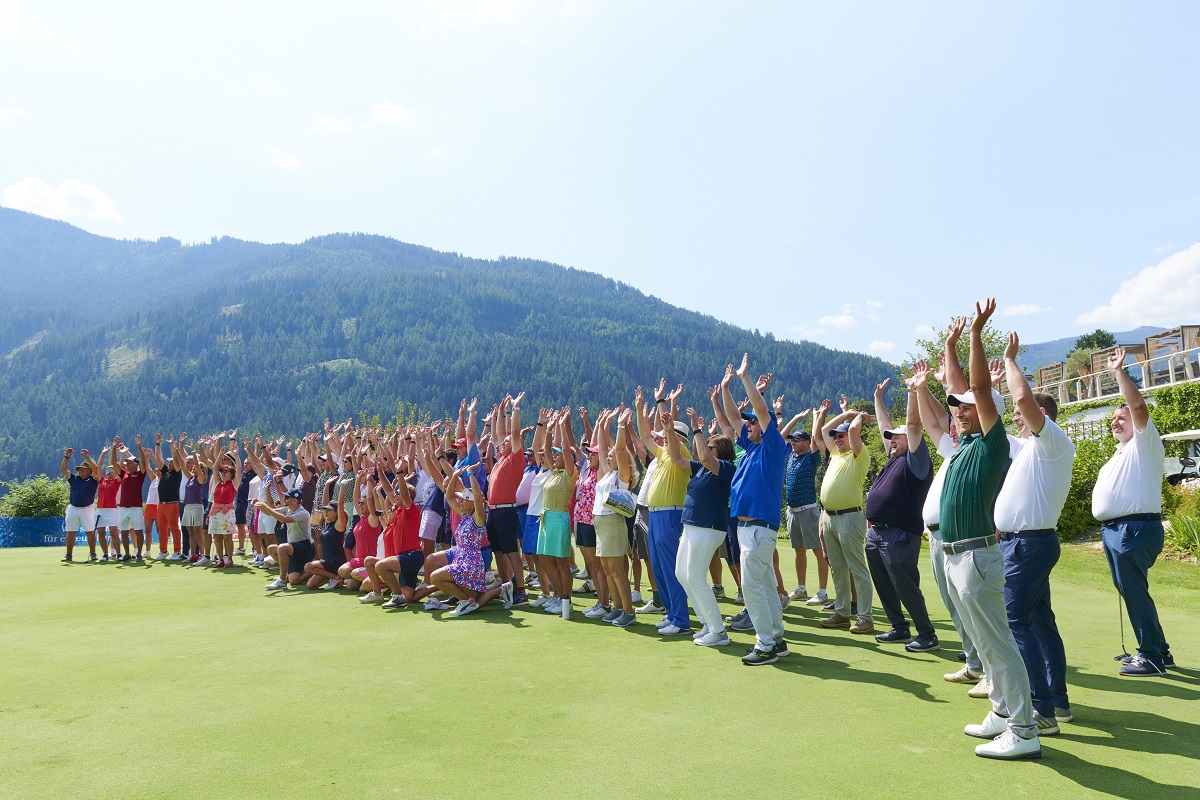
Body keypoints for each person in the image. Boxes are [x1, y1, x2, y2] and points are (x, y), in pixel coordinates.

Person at [941, 298, 1039, 760]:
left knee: (998, 645)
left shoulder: (991, 443)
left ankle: (1024, 729)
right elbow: (957, 384)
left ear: (983, 413)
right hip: (957, 555)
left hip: (979, 556)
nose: (957, 409)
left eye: (965, 407)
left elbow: (977, 386)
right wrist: (950, 346)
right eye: (955, 407)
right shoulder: (962, 447)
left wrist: (978, 335)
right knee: (983, 643)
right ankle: (1002, 713)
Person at [997, 331, 1075, 729]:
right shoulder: (1026, 446)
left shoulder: (1053, 443)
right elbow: (992, 425)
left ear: (1042, 418)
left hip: (1029, 546)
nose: (1016, 416)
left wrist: (1011, 361)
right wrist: (989, 387)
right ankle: (1057, 702)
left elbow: (1024, 401)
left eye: (1022, 415)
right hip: (1024, 544)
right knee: (1040, 622)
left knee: (1016, 622)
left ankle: (1040, 708)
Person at [1092, 345, 1173, 678]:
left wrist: (1118, 373)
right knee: (1131, 590)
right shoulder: (1122, 450)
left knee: (1134, 592)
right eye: (1113, 418)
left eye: (1120, 417)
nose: (1115, 421)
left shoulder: (1145, 441)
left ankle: (1150, 656)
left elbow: (1137, 404)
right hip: (1116, 531)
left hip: (1135, 529)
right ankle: (1160, 651)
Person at [907, 355, 984, 688]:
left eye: (961, 416)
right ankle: (973, 662)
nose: (953, 424)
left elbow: (946, 414)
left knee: (974, 608)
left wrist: (935, 385)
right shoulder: (953, 450)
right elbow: (932, 423)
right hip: (938, 540)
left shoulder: (979, 446)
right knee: (955, 606)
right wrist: (920, 390)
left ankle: (987, 667)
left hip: (966, 540)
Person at [723, 355, 789, 665]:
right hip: (748, 527)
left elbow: (761, 411)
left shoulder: (773, 446)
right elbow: (733, 419)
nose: (748, 425)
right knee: (764, 584)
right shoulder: (750, 447)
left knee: (752, 586)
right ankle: (777, 637)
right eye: (748, 423)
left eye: (753, 423)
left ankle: (765, 645)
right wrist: (725, 388)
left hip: (759, 528)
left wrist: (745, 378)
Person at [865, 378, 937, 652]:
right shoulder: (894, 458)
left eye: (898, 436)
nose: (892, 440)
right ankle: (899, 627)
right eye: (891, 438)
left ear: (910, 439)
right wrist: (878, 400)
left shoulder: (916, 461)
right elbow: (885, 426)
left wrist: (911, 391)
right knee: (883, 582)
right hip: (877, 532)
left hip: (900, 533)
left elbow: (914, 425)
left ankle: (927, 634)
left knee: (905, 584)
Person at [666, 405, 735, 647]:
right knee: (682, 575)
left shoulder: (724, 468)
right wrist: (669, 431)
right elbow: (676, 458)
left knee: (695, 576)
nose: (704, 448)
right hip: (692, 526)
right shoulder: (701, 470)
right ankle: (707, 623)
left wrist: (696, 428)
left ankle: (718, 632)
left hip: (708, 528)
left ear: (721, 451)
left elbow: (704, 456)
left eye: (711, 445)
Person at [635, 381, 693, 634]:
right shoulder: (663, 455)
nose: (659, 437)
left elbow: (665, 435)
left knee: (670, 568)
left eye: (667, 434)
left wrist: (662, 406)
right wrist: (639, 409)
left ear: (677, 438)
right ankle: (672, 614)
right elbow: (645, 435)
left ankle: (681, 620)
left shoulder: (682, 453)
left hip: (671, 514)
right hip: (656, 515)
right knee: (658, 568)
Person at [817, 397, 874, 635]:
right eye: (837, 437)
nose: (838, 439)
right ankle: (842, 612)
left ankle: (866, 617)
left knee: (857, 568)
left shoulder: (859, 456)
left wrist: (859, 417)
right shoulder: (835, 455)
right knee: (837, 568)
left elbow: (852, 430)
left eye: (841, 436)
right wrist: (847, 412)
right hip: (829, 517)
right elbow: (822, 430)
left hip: (850, 517)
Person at [591, 408, 638, 627]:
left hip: (613, 524)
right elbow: (602, 448)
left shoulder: (623, 476)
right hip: (600, 525)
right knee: (607, 569)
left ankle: (628, 611)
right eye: (607, 457)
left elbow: (619, 448)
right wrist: (602, 425)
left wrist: (619, 426)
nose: (607, 458)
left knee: (617, 570)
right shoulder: (607, 473)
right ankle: (617, 607)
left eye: (612, 457)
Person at [781, 408, 827, 605]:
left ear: (807, 443)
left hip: (808, 511)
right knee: (799, 551)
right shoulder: (791, 456)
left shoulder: (811, 458)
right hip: (792, 512)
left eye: (797, 440)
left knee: (818, 551)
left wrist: (818, 417)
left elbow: (817, 437)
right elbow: (779, 437)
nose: (793, 443)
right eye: (793, 440)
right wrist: (780, 413)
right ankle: (801, 589)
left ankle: (822, 592)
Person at [259, 488, 313, 590]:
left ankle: (282, 580)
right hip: (293, 547)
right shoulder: (287, 509)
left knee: (282, 548)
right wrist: (260, 505)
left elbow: (285, 520)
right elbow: (269, 513)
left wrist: (267, 507)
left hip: (304, 546)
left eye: (287, 497)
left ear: (294, 500)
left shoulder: (303, 513)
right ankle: (286, 574)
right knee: (271, 548)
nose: (285, 498)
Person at [60, 447, 100, 562]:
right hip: (73, 508)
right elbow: (63, 469)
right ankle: (68, 554)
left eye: (84, 469)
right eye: (80, 469)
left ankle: (93, 553)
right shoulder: (74, 478)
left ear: (89, 471)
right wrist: (67, 457)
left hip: (87, 508)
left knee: (90, 532)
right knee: (70, 532)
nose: (81, 471)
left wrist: (87, 457)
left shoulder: (93, 479)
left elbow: (96, 469)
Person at [115, 436, 150, 562]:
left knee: (138, 531)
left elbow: (143, 462)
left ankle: (139, 553)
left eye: (129, 462)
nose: (126, 464)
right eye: (126, 463)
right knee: (124, 532)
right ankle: (127, 554)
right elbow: (114, 463)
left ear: (136, 464)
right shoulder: (123, 474)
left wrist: (138, 446)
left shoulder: (140, 474)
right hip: (123, 508)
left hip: (136, 507)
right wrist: (114, 447)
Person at [153, 435, 185, 560]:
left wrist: (173, 446)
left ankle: (177, 551)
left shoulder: (177, 472)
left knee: (174, 528)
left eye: (171, 461)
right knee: (162, 529)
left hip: (172, 504)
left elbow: (177, 461)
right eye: (169, 461)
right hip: (161, 504)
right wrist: (157, 445)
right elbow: (158, 459)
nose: (170, 462)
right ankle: (163, 550)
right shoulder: (165, 471)